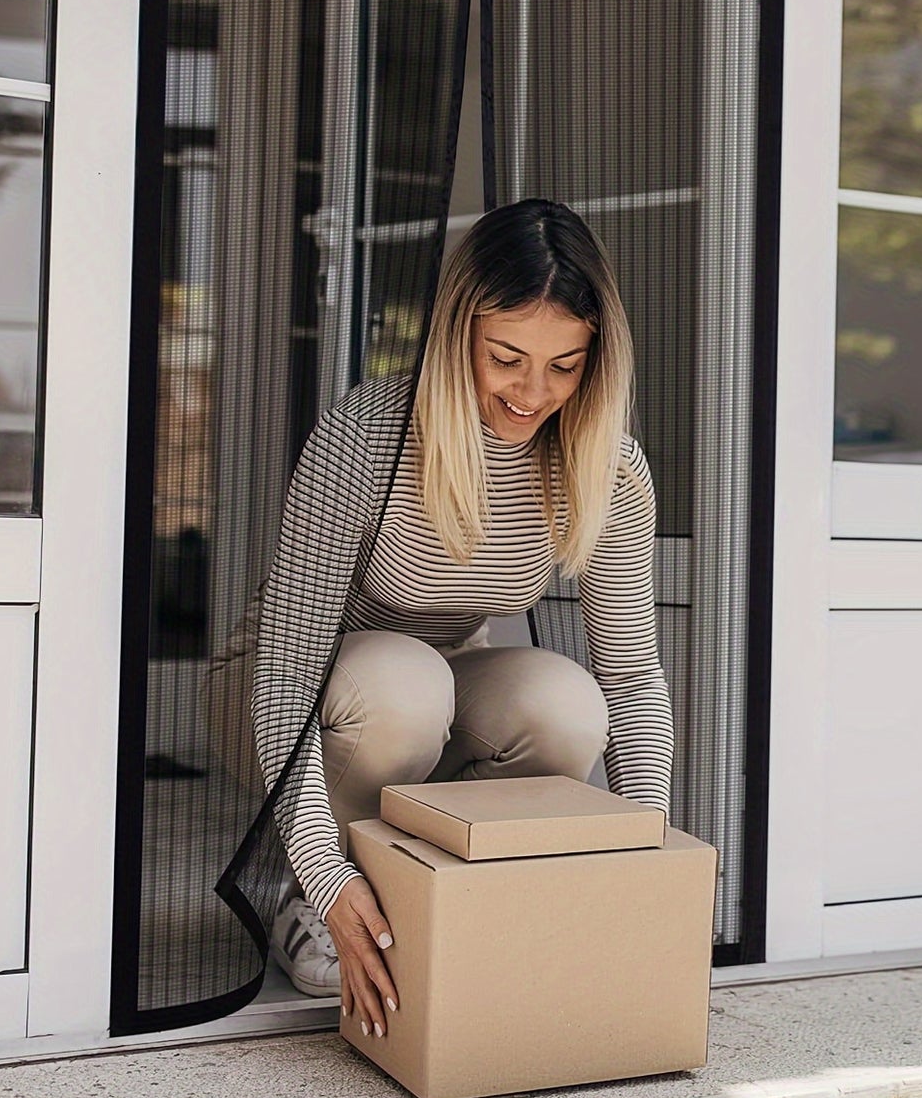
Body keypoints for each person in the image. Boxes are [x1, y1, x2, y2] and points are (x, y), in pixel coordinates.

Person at [252, 198, 675, 1044]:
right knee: (401, 685)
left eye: (565, 366)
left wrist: (644, 855)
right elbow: (286, 670)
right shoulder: (368, 434)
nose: (532, 393)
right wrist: (325, 873)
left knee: (566, 702)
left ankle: (425, 888)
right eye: (506, 358)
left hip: (445, 683)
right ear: (457, 336)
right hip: (308, 695)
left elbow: (629, 676)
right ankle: (310, 890)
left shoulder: (608, 467)